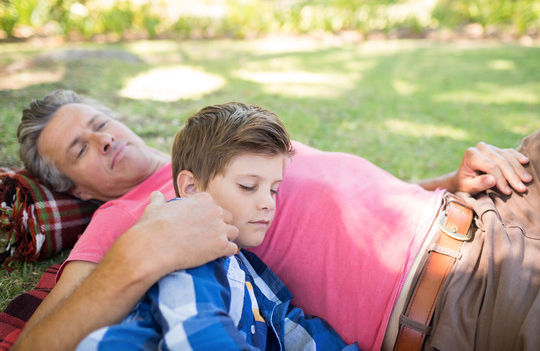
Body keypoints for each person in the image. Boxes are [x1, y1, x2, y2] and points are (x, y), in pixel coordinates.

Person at [12, 90, 534, 351]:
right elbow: (38, 342)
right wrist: (137, 255)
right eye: (81, 148)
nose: (104, 139)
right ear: (74, 188)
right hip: (461, 293)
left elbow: (352, 196)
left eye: (100, 123)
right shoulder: (124, 218)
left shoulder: (219, 132)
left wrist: (451, 181)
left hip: (485, 206)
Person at [77, 101, 358, 350]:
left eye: (273, 189)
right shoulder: (182, 242)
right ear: (192, 187)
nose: (268, 203)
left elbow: (286, 325)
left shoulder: (244, 268)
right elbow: (197, 333)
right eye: (248, 186)